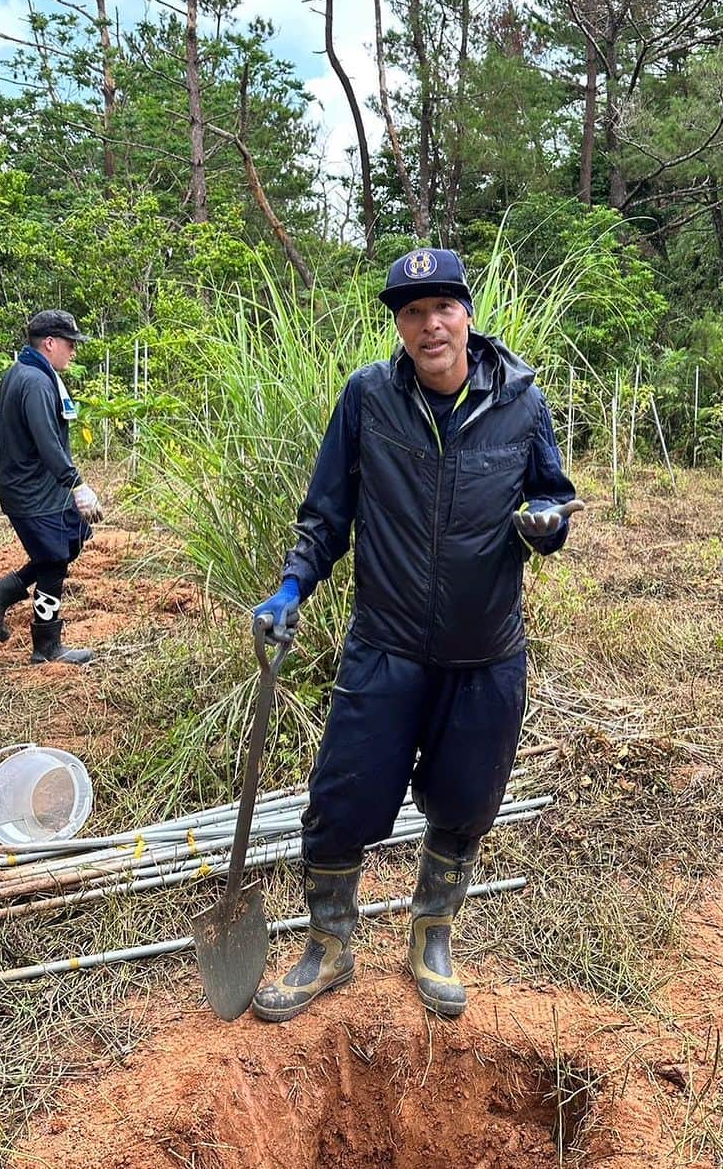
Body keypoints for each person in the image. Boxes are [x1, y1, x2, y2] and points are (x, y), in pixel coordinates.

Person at [250, 248, 577, 1023]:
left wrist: (547, 524)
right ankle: (327, 946)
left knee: (466, 802)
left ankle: (432, 936)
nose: (429, 325)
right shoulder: (368, 399)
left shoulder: (522, 403)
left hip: (486, 651)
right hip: (386, 645)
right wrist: (293, 584)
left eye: (442, 308)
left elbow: (553, 497)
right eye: (410, 312)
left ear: (466, 313)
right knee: (341, 800)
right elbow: (327, 512)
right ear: (398, 326)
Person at [0, 309, 103, 665]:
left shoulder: (21, 372)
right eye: (69, 344)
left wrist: (0, 468)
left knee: (69, 544)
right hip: (34, 493)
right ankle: (46, 645)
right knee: (54, 560)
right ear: (49, 343)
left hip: (37, 488)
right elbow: (48, 442)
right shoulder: (37, 382)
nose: (73, 351)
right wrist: (76, 484)